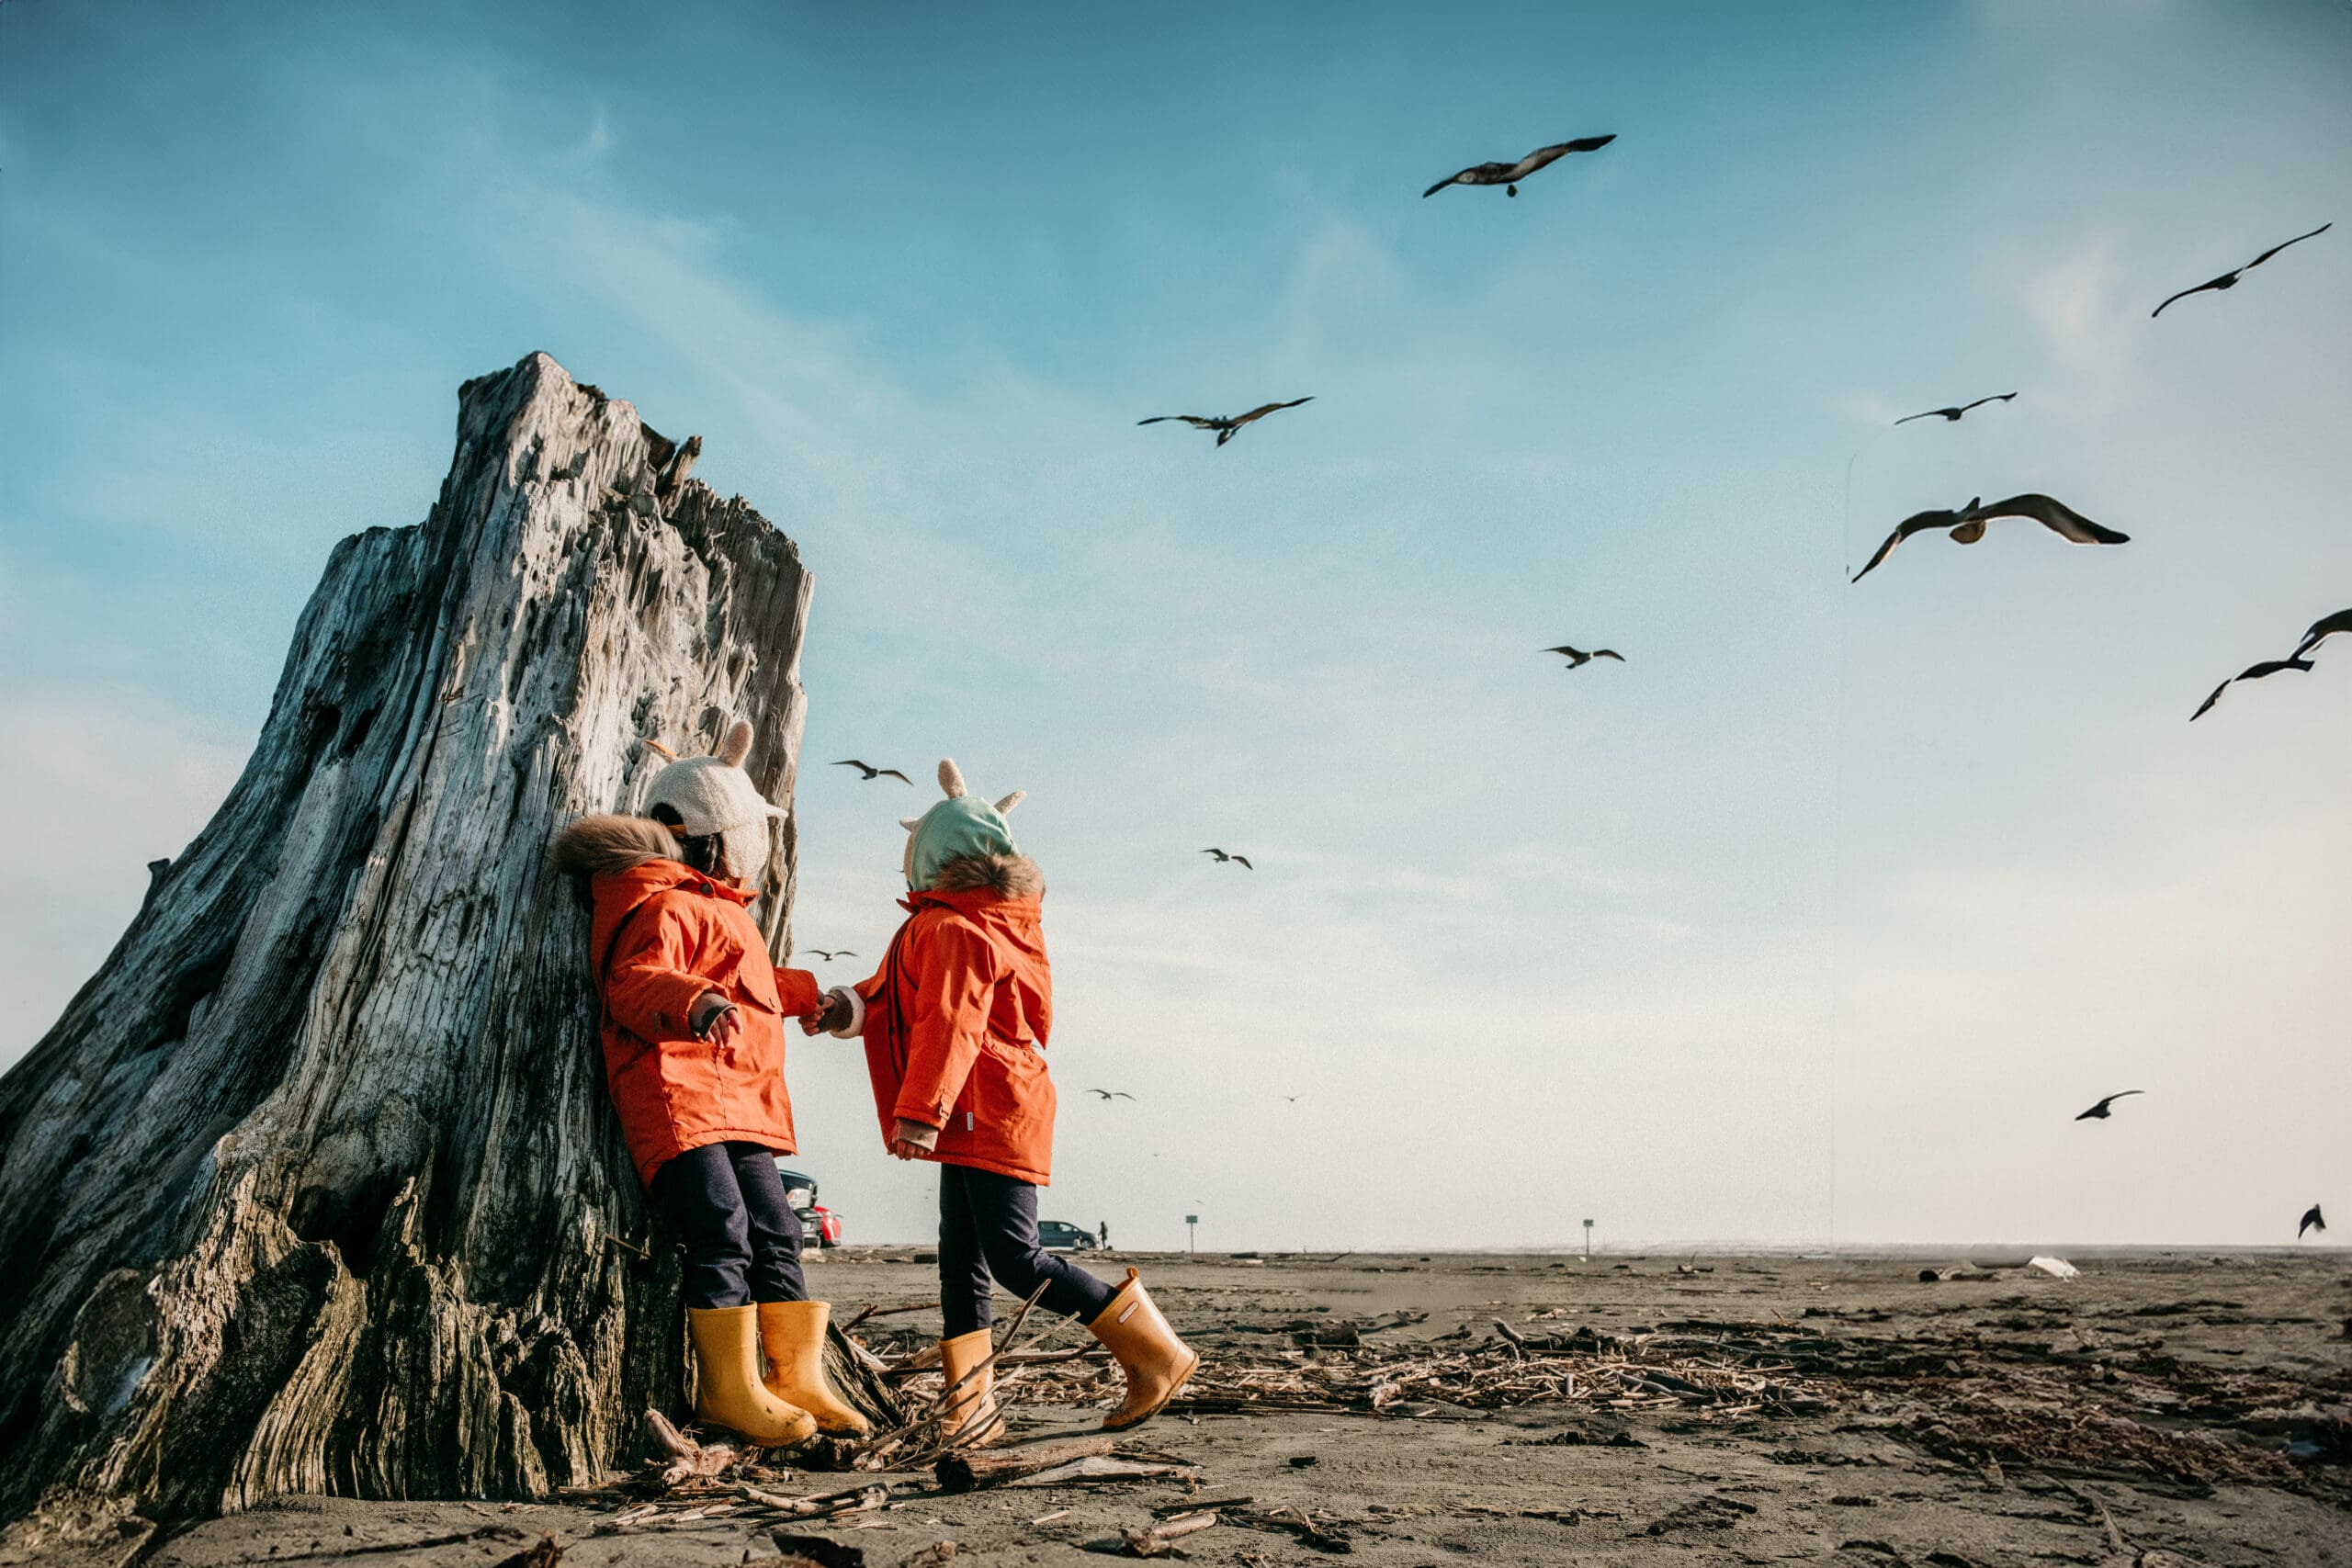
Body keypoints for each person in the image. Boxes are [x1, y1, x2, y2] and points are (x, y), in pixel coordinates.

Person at [811, 760, 1197, 1443]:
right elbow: (893, 996)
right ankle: (971, 1407)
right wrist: (843, 1007)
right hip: (971, 1110)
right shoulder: (938, 923)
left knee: (1015, 1255)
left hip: (992, 1109)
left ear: (934, 861)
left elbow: (952, 1023)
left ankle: (1156, 1352)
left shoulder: (959, 929)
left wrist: (919, 1114)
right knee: (960, 1261)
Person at [552, 720, 867, 1448]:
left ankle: (797, 1379)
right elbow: (633, 981)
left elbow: (750, 983)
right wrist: (696, 1002)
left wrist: (810, 997)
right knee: (721, 1229)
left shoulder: (724, 908)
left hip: (742, 1100)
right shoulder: (660, 899)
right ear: (716, 837)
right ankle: (728, 1388)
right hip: (679, 1094)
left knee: (779, 1231)